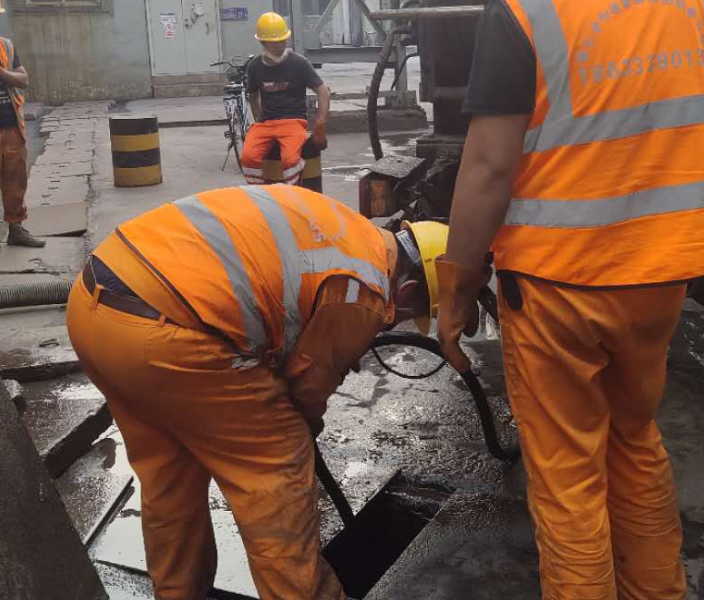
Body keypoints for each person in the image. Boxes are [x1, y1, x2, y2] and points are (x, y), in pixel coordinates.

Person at [436, 0, 704, 598]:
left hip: (557, 279)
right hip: (659, 270)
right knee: (634, 440)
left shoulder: (522, 9)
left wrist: (456, 290)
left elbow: (488, 167)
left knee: (568, 476)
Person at [66, 183, 448, 600]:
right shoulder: (365, 289)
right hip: (168, 336)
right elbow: (308, 384)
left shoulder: (352, 234)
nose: (394, 321)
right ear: (409, 290)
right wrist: (304, 427)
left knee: (170, 478)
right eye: (409, 313)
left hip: (95, 311)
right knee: (276, 471)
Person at [241, 12, 331, 186]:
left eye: (282, 40)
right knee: (248, 157)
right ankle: (260, 192)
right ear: (263, 42)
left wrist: (320, 123)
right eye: (274, 42)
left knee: (290, 159)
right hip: (266, 123)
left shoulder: (299, 63)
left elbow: (323, 91)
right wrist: (259, 119)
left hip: (293, 122)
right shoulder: (255, 67)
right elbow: (253, 95)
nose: (280, 45)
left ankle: (292, 191)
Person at [0, 35, 45, 247]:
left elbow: (23, 80)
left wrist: (2, 73)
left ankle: (16, 230)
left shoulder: (5, 45)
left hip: (11, 125)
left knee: (15, 181)